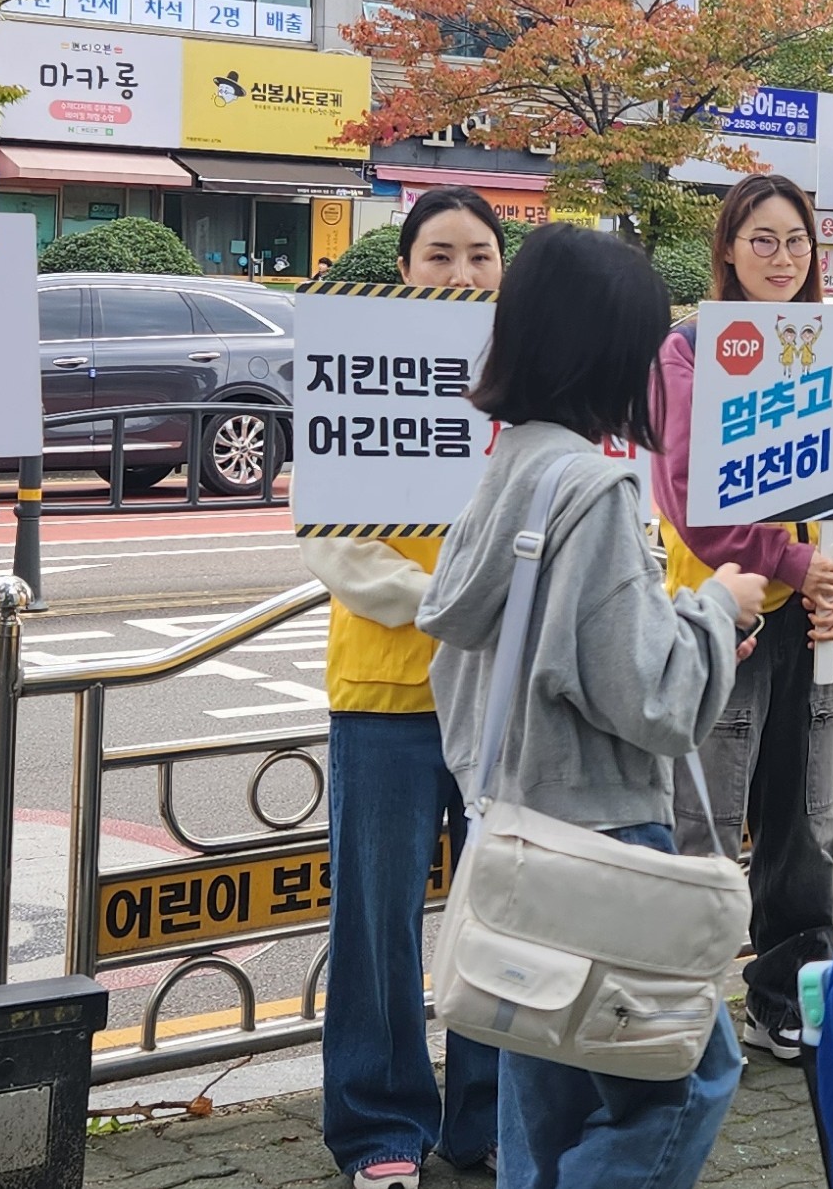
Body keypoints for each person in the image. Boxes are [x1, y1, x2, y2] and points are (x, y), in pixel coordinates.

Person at [416, 224, 765, 1189]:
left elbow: (474, 656)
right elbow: (650, 697)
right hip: (605, 839)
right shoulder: (598, 488)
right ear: (610, 350)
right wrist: (712, 612)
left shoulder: (510, 469)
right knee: (687, 1077)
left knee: (549, 1101)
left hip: (520, 838)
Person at [305, 188, 510, 1189]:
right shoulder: (358, 361)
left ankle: (488, 1113)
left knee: (503, 912)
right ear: (405, 265)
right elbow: (336, 546)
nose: (462, 273)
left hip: (503, 695)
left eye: (480, 255)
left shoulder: (528, 380)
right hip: (384, 693)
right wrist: (452, 604)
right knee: (376, 921)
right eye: (441, 254)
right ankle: (379, 1126)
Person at [647, 174, 833, 1060]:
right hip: (718, 613)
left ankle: (789, 994)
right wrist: (797, 561)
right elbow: (693, 495)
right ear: (727, 250)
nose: (782, 257)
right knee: (705, 818)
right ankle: (678, 1013)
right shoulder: (686, 352)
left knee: (808, 819)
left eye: (797, 241)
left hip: (811, 615)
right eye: (762, 240)